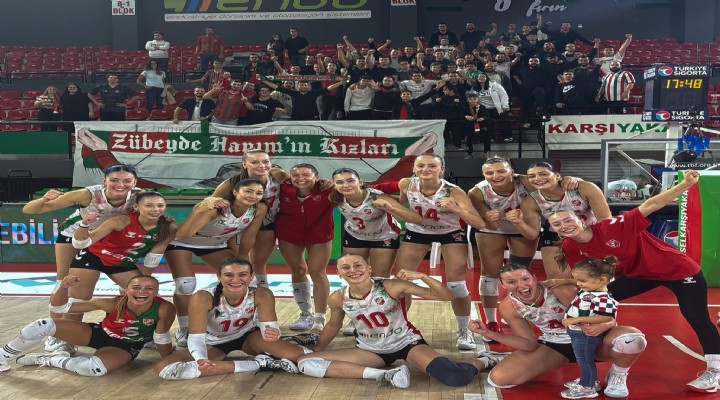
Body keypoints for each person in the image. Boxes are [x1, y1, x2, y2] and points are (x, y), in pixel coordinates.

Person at [549, 169, 720, 393]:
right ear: (554, 230)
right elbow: (589, 278)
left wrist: (685, 184)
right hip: (640, 274)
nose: (564, 226)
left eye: (567, 220)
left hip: (677, 270)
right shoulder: (570, 245)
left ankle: (715, 371)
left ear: (581, 220)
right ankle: (612, 368)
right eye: (557, 224)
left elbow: (652, 204)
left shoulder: (612, 226)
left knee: (696, 316)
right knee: (593, 299)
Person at [297, 254, 502, 388]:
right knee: (307, 361)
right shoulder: (337, 297)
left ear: (369, 268)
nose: (353, 270)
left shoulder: (392, 286)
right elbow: (334, 324)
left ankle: (486, 359)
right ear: (339, 273)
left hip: (406, 344)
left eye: (358, 265)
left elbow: (447, 296)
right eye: (346, 267)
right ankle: (383, 374)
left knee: (454, 377)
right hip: (370, 350)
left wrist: (422, 275)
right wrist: (318, 348)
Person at [468, 262, 645, 398]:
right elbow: (529, 344)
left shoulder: (561, 291)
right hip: (556, 345)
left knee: (632, 340)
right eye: (511, 282)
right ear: (503, 285)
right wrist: (488, 333)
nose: (521, 285)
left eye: (525, 279)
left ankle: (618, 375)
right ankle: (495, 358)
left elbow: (607, 314)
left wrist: (604, 325)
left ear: (534, 278)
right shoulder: (509, 306)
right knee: (499, 379)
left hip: (592, 339)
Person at [21, 164, 141, 353]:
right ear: (104, 180)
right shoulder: (88, 195)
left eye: (127, 180)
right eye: (114, 180)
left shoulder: (140, 196)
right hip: (74, 235)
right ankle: (55, 333)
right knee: (64, 282)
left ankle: (131, 328)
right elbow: (29, 210)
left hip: (107, 241)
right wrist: (44, 199)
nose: (120, 184)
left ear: (134, 182)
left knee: (131, 285)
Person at [154, 258, 305, 380]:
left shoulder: (261, 293)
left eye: (242, 274)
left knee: (298, 357)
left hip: (248, 336)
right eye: (229, 275)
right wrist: (201, 359)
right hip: (213, 344)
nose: (236, 279)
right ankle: (261, 363)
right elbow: (196, 338)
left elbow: (270, 328)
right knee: (164, 368)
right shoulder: (202, 297)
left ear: (252, 276)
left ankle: (284, 345)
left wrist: (273, 333)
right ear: (219, 276)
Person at [395, 153, 487, 350]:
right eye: (421, 166)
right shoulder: (406, 183)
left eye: (431, 166)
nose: (425, 169)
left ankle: (464, 330)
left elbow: (479, 223)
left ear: (441, 169)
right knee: (401, 280)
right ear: (414, 169)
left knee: (456, 284)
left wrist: (456, 209)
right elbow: (402, 203)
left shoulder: (454, 192)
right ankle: (400, 326)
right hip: (418, 231)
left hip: (450, 232)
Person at [0, 274, 175, 375]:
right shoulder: (111, 303)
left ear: (156, 292)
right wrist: (63, 287)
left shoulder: (164, 308)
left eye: (149, 288)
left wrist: (169, 359)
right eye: (136, 287)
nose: (142, 292)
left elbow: (161, 338)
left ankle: (50, 359)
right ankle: (1, 356)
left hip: (125, 346)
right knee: (42, 324)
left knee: (93, 369)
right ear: (126, 290)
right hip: (98, 333)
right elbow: (59, 307)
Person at [165, 178, 267, 347]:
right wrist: (201, 207)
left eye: (258, 193)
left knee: (248, 279)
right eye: (248, 191)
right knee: (185, 284)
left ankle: (249, 323)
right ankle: (184, 329)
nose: (253, 196)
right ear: (235, 192)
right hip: (183, 243)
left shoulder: (259, 208)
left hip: (214, 244)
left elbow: (249, 236)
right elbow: (181, 234)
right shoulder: (217, 208)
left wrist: (243, 259)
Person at [66, 191, 177, 328]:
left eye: (160, 205)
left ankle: (135, 333)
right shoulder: (120, 221)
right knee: (78, 301)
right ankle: (62, 336)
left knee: (147, 297)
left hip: (123, 264)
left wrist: (144, 279)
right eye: (149, 205)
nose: (155, 209)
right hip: (93, 256)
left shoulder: (169, 227)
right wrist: (84, 225)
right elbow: (82, 243)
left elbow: (155, 254)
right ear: (136, 207)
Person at [467, 158, 540, 341]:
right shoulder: (477, 192)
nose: (496, 176)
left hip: (523, 227)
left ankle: (517, 313)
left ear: (511, 172)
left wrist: (571, 180)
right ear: (483, 175)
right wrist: (488, 217)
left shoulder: (526, 182)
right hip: (492, 229)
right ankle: (491, 320)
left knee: (520, 273)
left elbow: (554, 184)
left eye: (501, 171)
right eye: (489, 173)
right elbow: (490, 225)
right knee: (489, 274)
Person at [507, 162, 610, 279]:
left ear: (557, 175)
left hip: (590, 232)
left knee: (596, 278)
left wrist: (597, 241)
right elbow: (533, 235)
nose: (538, 178)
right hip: (556, 236)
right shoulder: (530, 201)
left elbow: (605, 220)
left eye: (543, 174)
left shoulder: (584, 188)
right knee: (560, 282)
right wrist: (519, 223)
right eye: (532, 176)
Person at [211, 150, 291, 289]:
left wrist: (322, 183)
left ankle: (261, 293)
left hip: (266, 225)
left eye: (265, 161)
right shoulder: (232, 183)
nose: (261, 165)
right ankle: (232, 292)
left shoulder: (278, 175)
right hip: (239, 227)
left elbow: (302, 183)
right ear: (244, 164)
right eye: (254, 162)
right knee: (239, 262)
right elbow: (210, 203)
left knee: (258, 265)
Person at [329, 168, 421, 279]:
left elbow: (416, 219)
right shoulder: (335, 197)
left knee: (379, 277)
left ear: (360, 182)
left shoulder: (377, 196)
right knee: (353, 274)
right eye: (339, 182)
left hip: (384, 236)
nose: (346, 185)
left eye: (350, 180)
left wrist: (390, 208)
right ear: (334, 185)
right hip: (355, 235)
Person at [275, 163, 334, 333]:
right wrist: (285, 176)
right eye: (296, 175)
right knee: (298, 270)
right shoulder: (285, 188)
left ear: (316, 177)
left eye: (306, 175)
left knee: (318, 272)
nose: (301, 178)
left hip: (319, 236)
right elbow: (273, 170)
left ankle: (319, 318)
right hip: (289, 234)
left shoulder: (328, 190)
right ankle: (306, 314)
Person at [561, 257, 619, 399]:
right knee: (583, 359)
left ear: (602, 280)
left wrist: (578, 319)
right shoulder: (590, 289)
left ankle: (587, 387)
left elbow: (606, 317)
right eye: (577, 280)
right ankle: (590, 381)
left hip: (585, 335)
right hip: (577, 332)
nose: (578, 284)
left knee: (585, 361)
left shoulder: (603, 298)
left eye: (582, 281)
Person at [475, 73, 512, 143]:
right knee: (487, 124)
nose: (481, 78)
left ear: (487, 78)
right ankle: (490, 138)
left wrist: (505, 105)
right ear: (477, 79)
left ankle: (507, 136)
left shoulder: (495, 85)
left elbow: (503, 95)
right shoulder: (474, 88)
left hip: (496, 107)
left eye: (483, 76)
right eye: (479, 77)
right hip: (485, 109)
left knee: (503, 121)